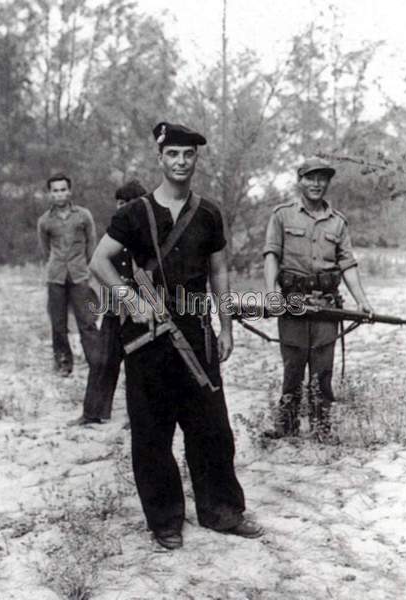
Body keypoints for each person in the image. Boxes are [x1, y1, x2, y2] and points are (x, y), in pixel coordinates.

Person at [89, 122, 263, 550]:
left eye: (188, 155)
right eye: (173, 155)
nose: (181, 162)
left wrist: (224, 325)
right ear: (160, 158)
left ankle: (221, 511)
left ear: (196, 159)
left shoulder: (208, 212)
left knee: (213, 429)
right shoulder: (134, 213)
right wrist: (131, 301)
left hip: (195, 332)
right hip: (147, 338)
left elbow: (219, 271)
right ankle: (165, 520)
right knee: (152, 432)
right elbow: (100, 261)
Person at [263, 157, 373, 441]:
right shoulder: (282, 215)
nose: (316, 184)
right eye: (311, 178)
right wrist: (272, 293)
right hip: (293, 303)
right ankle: (286, 426)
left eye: (322, 178)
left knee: (323, 369)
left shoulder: (338, 223)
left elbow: (347, 265)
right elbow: (271, 255)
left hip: (326, 305)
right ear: (300, 180)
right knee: (293, 366)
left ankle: (322, 427)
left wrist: (362, 301)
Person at [70, 179, 147, 426]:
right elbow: (99, 267)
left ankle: (138, 416)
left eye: (129, 203)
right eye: (120, 203)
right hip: (115, 306)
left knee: (140, 364)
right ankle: (93, 412)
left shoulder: (150, 237)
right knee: (103, 359)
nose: (123, 208)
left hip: (141, 308)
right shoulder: (114, 234)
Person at [37, 172, 99, 376]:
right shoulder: (45, 221)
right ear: (50, 194)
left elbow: (92, 243)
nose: (60, 194)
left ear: (70, 191)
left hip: (80, 275)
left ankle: (97, 362)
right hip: (55, 277)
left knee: (87, 321)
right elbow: (45, 250)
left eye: (63, 190)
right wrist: (54, 266)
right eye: (55, 191)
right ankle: (64, 363)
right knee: (58, 323)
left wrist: (85, 266)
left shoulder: (83, 216)